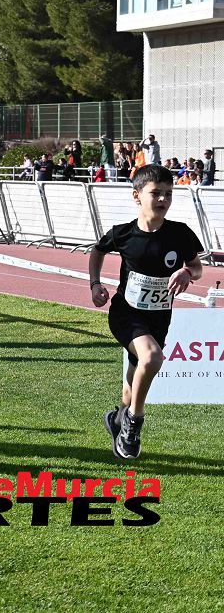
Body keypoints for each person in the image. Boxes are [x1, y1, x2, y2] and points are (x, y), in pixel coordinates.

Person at [90, 165, 203, 460]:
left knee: (133, 386)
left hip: (159, 318)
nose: (163, 199)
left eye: (168, 193)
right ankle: (133, 424)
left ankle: (118, 419)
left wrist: (187, 274)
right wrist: (95, 284)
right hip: (126, 314)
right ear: (137, 196)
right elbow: (97, 250)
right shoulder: (124, 234)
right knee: (152, 358)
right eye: (156, 193)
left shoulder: (180, 233)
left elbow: (198, 268)